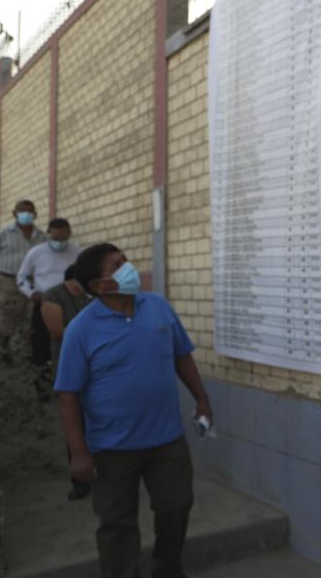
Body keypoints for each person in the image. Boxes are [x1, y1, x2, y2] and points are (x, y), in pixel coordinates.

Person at [54, 243, 213, 578]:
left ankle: (167, 569)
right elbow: (68, 395)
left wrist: (201, 397)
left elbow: (181, 354)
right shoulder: (81, 330)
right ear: (99, 286)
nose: (129, 268)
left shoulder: (157, 307)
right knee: (117, 525)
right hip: (112, 448)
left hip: (166, 440)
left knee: (176, 507)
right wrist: (78, 452)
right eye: (117, 265)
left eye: (125, 260)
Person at [42, 263, 92, 501]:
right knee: (75, 422)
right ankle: (80, 479)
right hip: (70, 366)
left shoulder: (93, 295)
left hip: (97, 366)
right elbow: (56, 330)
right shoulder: (54, 295)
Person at [17, 217, 82, 369]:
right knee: (41, 339)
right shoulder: (36, 252)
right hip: (44, 301)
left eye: (63, 238)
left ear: (69, 233)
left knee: (69, 336)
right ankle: (42, 374)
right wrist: (31, 293)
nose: (59, 241)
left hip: (71, 302)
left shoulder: (78, 253)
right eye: (55, 238)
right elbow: (21, 277)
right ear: (48, 234)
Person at [0, 200, 46, 364]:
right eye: (22, 211)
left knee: (30, 317)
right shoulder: (2, 234)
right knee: (7, 316)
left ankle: (26, 353)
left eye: (29, 211)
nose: (26, 214)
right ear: (14, 213)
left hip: (32, 283)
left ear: (35, 214)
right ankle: (3, 351)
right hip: (8, 281)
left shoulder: (41, 237)